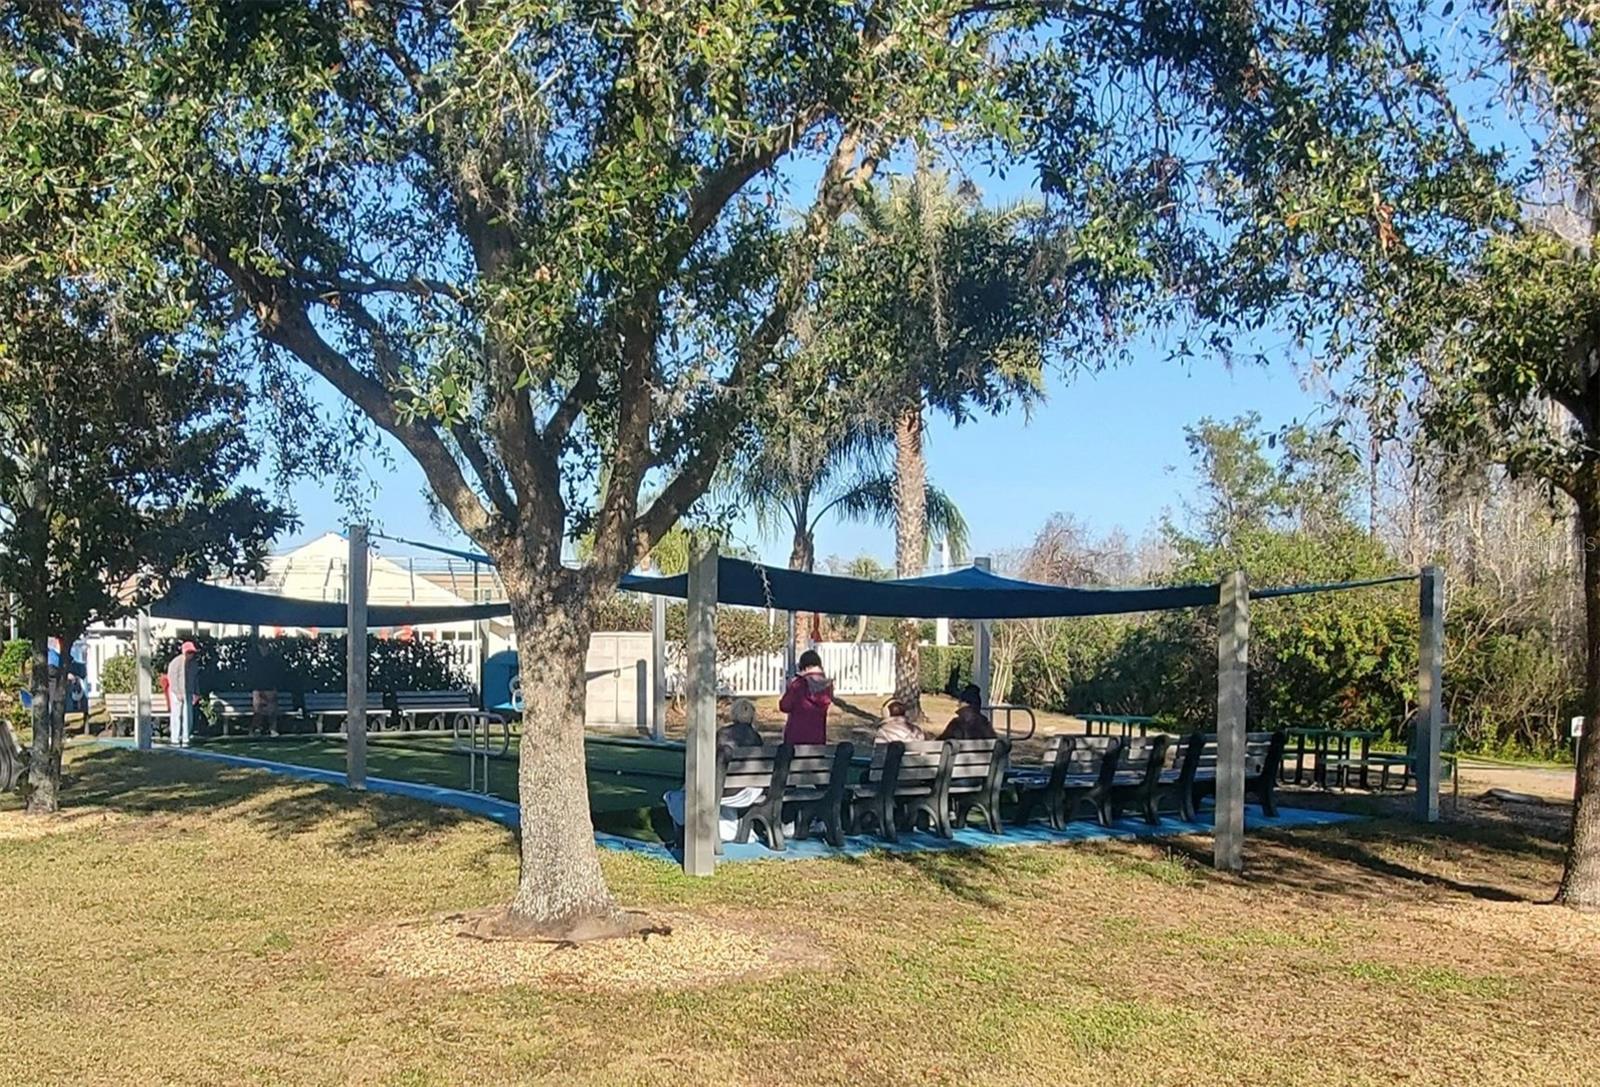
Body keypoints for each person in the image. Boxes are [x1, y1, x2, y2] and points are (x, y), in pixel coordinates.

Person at [780, 649, 834, 745]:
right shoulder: (826, 686)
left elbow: (784, 706)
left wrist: (789, 688)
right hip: (817, 738)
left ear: (804, 667)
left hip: (796, 737)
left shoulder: (799, 684)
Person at [165, 641, 199, 747]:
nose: (190, 655)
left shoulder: (194, 664)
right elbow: (172, 678)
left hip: (188, 692)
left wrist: (196, 693)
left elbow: (195, 679)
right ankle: (175, 738)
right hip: (176, 692)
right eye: (189, 652)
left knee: (188, 715)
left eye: (192, 652)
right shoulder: (176, 662)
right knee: (176, 715)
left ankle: (186, 737)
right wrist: (177, 692)